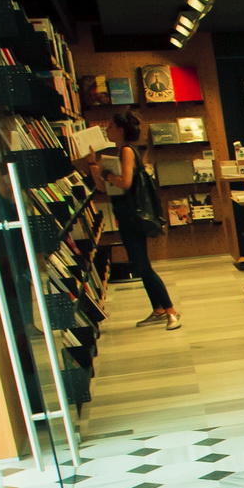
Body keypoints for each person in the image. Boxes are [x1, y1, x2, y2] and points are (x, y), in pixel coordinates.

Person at [84, 111, 178, 330]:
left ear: (120, 130)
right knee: (139, 264)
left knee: (143, 266)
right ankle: (158, 309)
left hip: (133, 216)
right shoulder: (119, 152)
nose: (106, 130)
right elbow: (103, 188)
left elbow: (125, 183)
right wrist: (94, 168)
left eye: (110, 127)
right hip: (126, 215)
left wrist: (106, 174)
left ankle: (171, 310)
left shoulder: (126, 151)